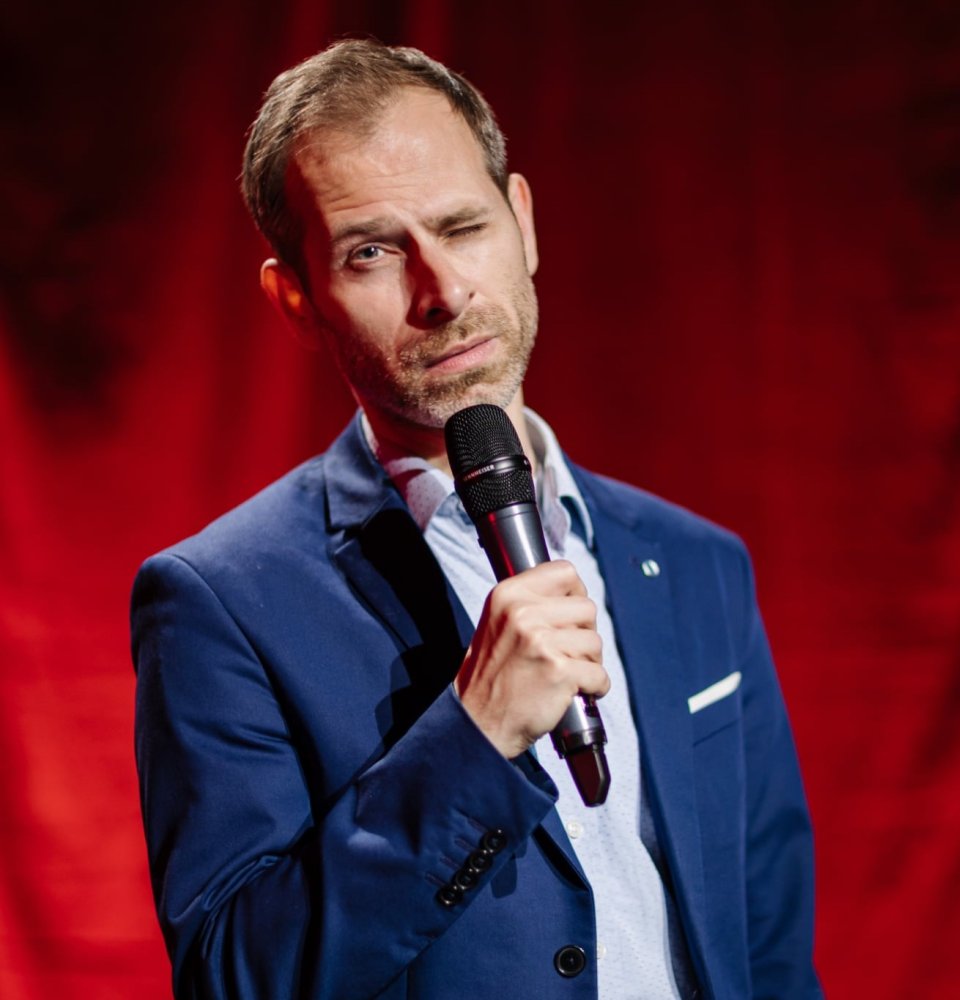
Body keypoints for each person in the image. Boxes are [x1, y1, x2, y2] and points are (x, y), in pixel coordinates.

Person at [131, 38, 822, 1000]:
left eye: (463, 226)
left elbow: (770, 948)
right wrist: (472, 733)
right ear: (296, 299)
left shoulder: (697, 562)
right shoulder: (220, 602)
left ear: (523, 223)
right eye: (372, 252)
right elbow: (235, 978)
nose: (444, 291)